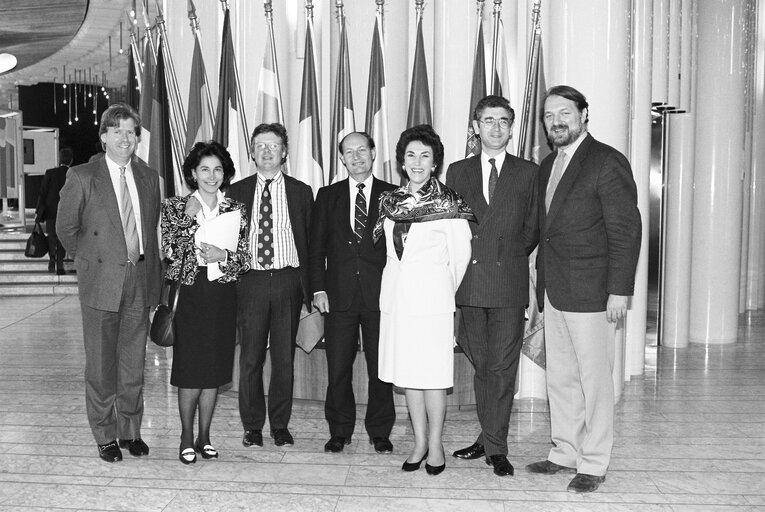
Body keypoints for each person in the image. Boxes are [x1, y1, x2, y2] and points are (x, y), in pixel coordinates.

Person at [525, 85, 641, 493]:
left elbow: (626, 230)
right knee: (560, 377)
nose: (556, 121)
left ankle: (593, 461)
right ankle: (564, 451)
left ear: (583, 115)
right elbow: (545, 231)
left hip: (593, 293)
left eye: (564, 113)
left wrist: (619, 291)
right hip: (554, 291)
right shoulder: (546, 165)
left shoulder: (607, 161)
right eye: (549, 115)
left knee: (595, 381)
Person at [57, 103, 162, 462]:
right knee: (101, 367)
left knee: (133, 365)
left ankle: (130, 431)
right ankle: (104, 434)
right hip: (101, 281)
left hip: (140, 279)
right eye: (117, 130)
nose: (125, 137)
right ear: (104, 137)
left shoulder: (148, 177)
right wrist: (88, 262)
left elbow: (152, 232)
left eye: (131, 131)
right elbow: (65, 228)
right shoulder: (84, 176)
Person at [445, 95, 539, 477]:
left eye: (503, 121)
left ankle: (496, 448)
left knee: (502, 366)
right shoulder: (456, 171)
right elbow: (450, 225)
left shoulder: (528, 172)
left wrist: (506, 254)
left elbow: (532, 229)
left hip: (507, 283)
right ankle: (489, 436)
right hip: (468, 283)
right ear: (475, 127)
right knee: (483, 364)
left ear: (512, 127)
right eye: (488, 120)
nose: (496, 127)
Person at [375, 125, 473, 476]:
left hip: (432, 303)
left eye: (425, 156)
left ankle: (435, 445)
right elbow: (389, 254)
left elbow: (460, 259)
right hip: (398, 301)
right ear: (402, 161)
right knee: (409, 375)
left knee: (432, 376)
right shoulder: (391, 202)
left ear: (435, 163)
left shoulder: (449, 203)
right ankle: (417, 442)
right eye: (411, 155)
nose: (417, 162)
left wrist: (437, 288)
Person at [160, 141, 251, 464]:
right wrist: (187, 219)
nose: (211, 176)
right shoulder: (175, 206)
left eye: (217, 169)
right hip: (190, 294)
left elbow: (245, 259)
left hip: (222, 296)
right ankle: (186, 436)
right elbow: (168, 254)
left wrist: (223, 255)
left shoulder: (235, 209)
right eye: (204, 170)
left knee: (214, 370)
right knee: (190, 369)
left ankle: (205, 436)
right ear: (193, 174)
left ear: (225, 173)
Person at [308, 132, 397, 454]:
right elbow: (315, 248)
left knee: (381, 369)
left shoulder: (393, 195)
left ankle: (380, 431)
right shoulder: (327, 195)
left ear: (374, 154)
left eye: (362, 150)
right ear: (342, 158)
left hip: (382, 296)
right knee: (338, 368)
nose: (356, 156)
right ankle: (339, 430)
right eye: (349, 152)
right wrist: (317, 288)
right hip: (338, 296)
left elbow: (401, 250)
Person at [227, 123, 313, 448]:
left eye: (273, 145)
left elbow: (310, 245)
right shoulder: (235, 192)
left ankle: (280, 425)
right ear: (252, 151)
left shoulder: (301, 191)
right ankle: (252, 426)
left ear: (284, 152)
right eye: (260, 145)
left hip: (289, 280)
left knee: (283, 358)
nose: (266, 151)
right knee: (250, 358)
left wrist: (311, 288)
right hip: (250, 282)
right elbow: (228, 242)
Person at [35, 147, 73, 275]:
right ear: (71, 160)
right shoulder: (74, 173)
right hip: (67, 212)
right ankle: (60, 265)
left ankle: (52, 258)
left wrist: (39, 211)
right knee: (62, 238)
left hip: (51, 211)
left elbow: (42, 192)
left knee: (51, 236)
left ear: (59, 159)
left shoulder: (50, 173)